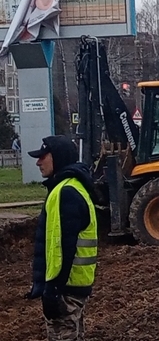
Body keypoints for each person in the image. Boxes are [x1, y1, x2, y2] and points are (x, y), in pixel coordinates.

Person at [24, 135, 98, 341]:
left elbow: (60, 247)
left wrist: (52, 290)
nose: (38, 162)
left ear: (57, 157)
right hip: (76, 285)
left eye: (43, 157)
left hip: (66, 288)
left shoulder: (65, 192)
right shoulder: (75, 187)